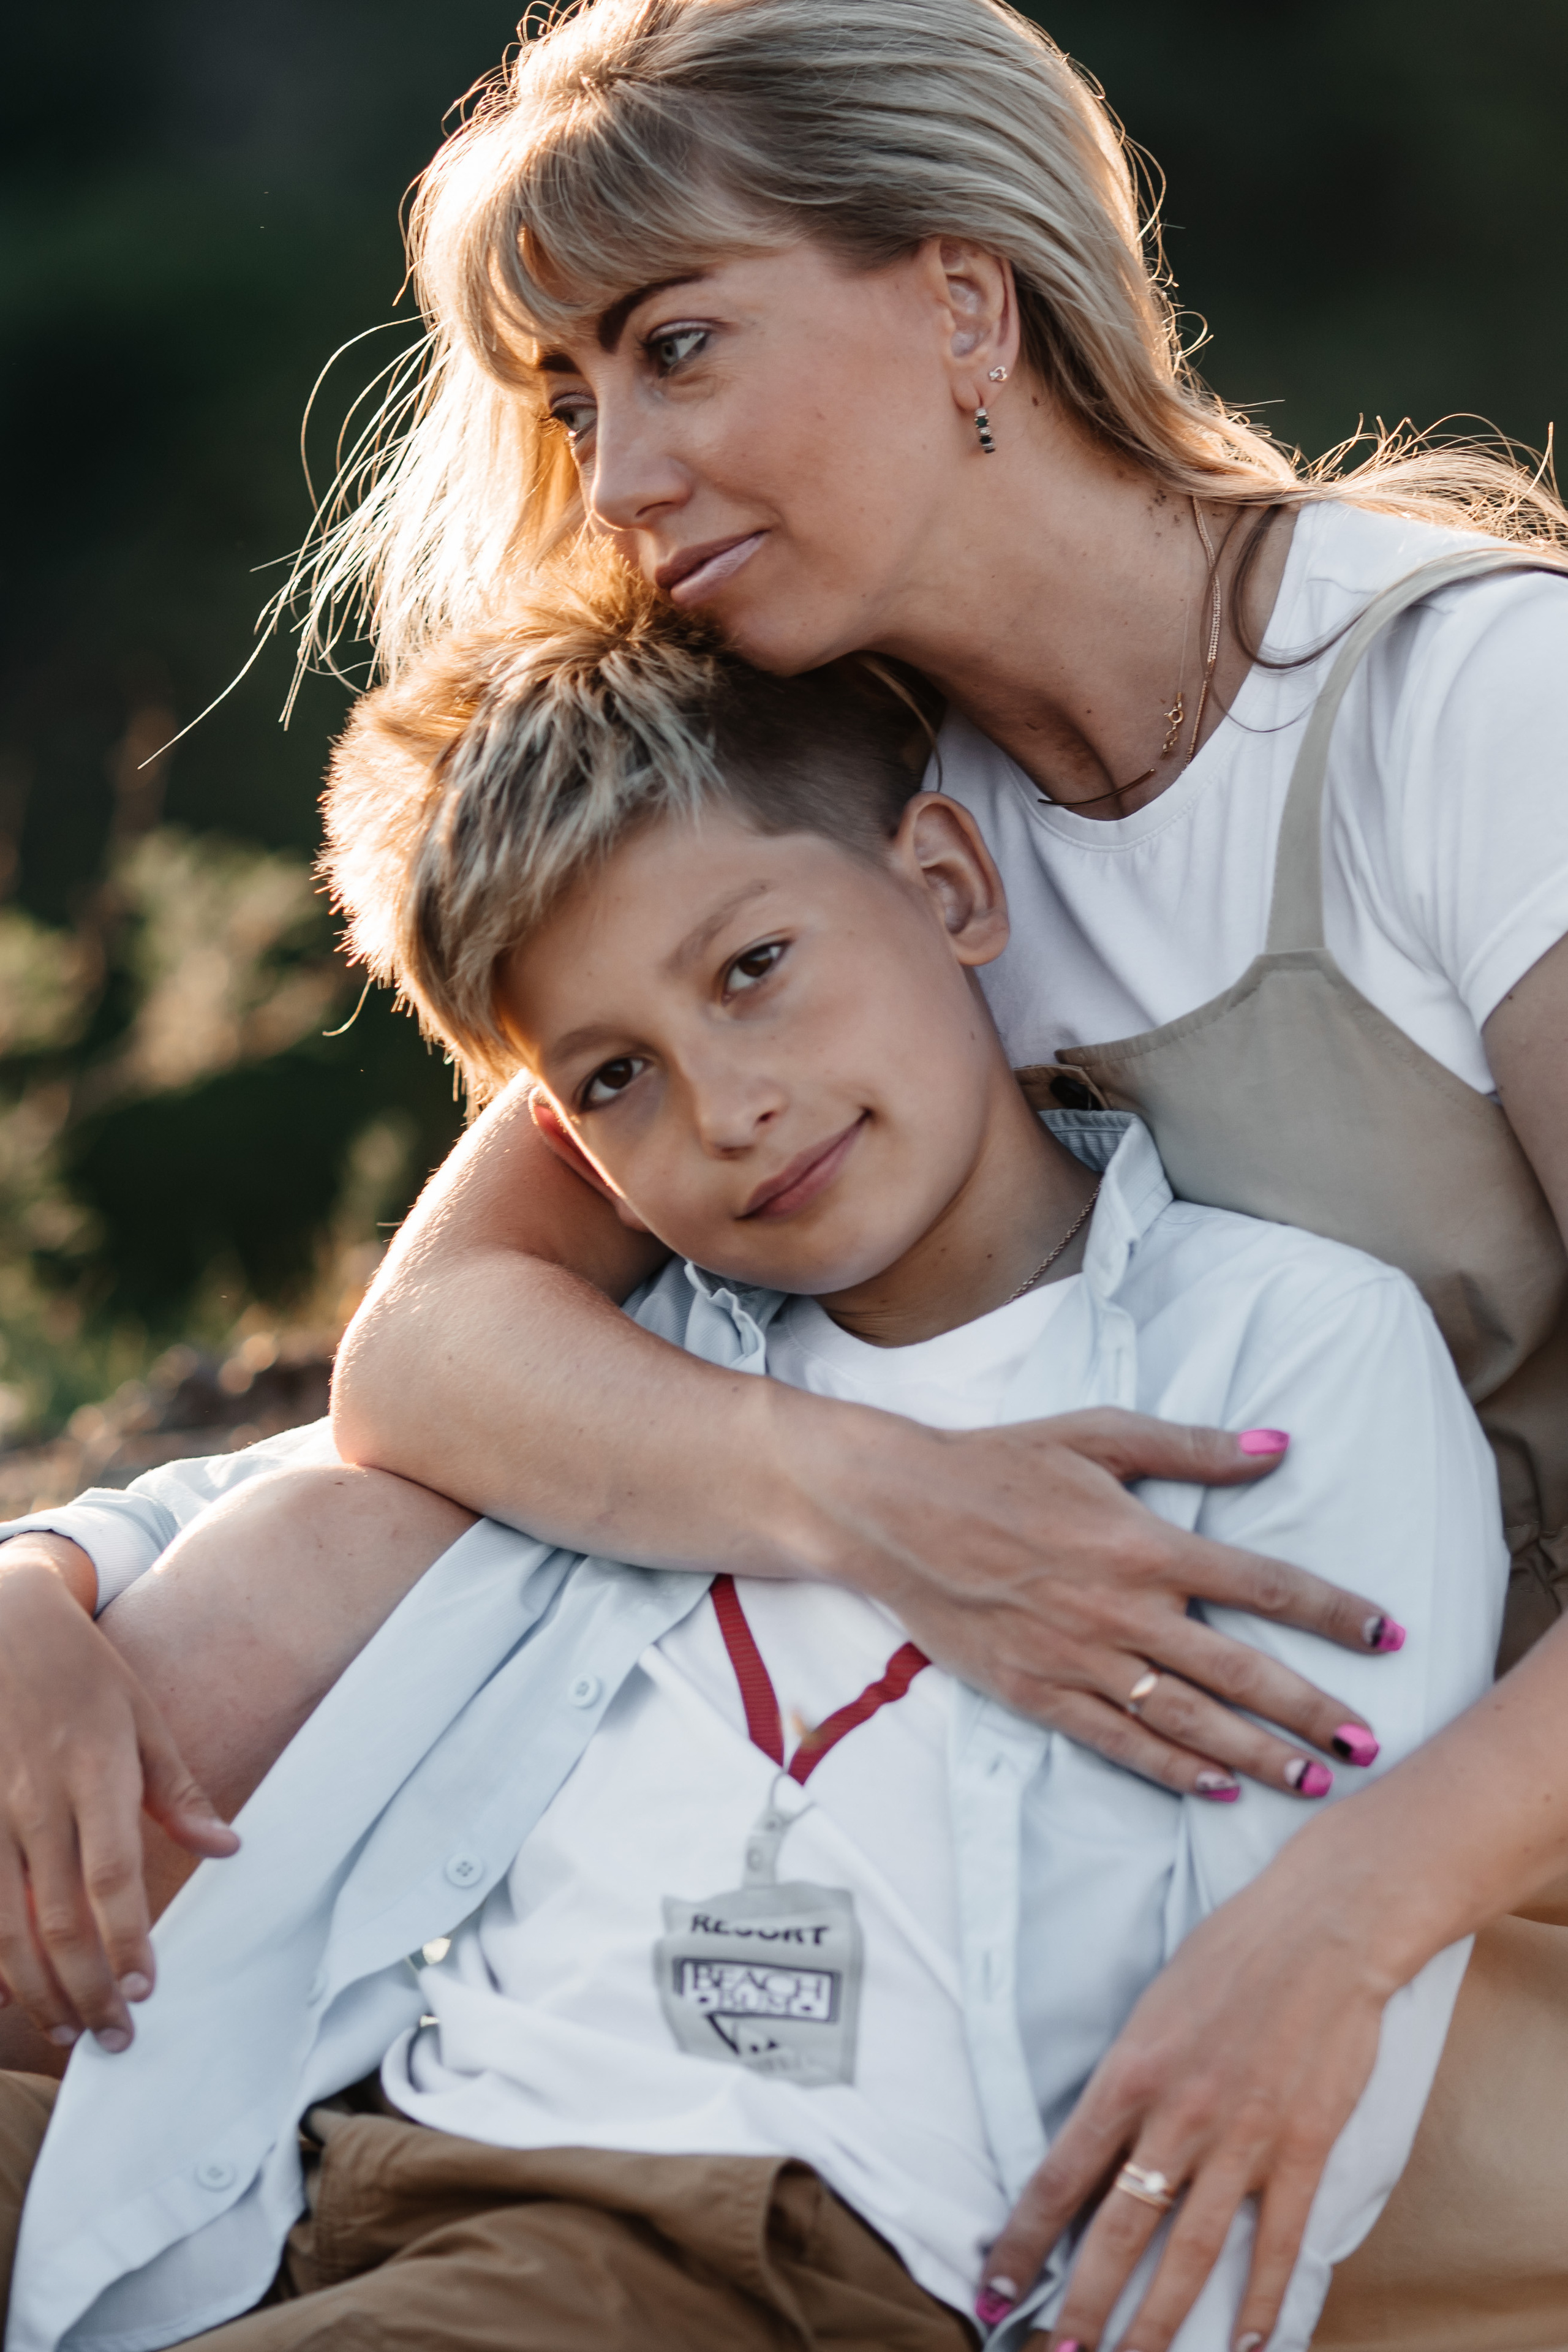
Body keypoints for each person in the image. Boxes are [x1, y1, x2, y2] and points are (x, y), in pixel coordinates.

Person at [3, 0, 1568, 2342]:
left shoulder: (1466, 711)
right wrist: (56, 1576)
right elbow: (442, 1355)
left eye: (677, 343)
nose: (616, 468)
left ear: (965, 297)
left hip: (1397, 1835)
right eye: (565, 396)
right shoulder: (834, 806)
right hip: (995, 1770)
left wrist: (1335, 1924)